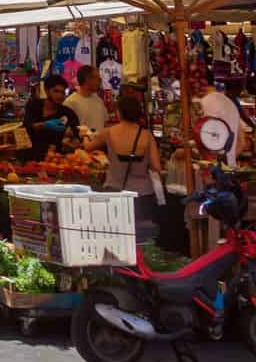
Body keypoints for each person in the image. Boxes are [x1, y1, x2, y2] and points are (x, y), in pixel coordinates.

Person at [83, 91, 163, 245]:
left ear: (119, 113)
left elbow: (87, 147)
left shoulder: (109, 132)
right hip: (142, 194)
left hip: (114, 190)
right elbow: (156, 167)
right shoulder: (146, 136)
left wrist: (85, 134)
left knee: (115, 235)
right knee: (141, 239)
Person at [20, 74, 79, 161]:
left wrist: (71, 139)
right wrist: (45, 125)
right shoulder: (34, 105)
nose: (60, 96)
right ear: (46, 91)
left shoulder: (68, 113)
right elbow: (26, 127)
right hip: (30, 157)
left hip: (54, 160)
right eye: (56, 91)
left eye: (63, 92)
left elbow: (77, 134)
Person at [63, 65, 109, 135]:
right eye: (98, 78)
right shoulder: (70, 102)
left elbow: (105, 123)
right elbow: (66, 130)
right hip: (82, 145)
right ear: (88, 79)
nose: (100, 82)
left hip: (99, 144)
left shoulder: (98, 99)